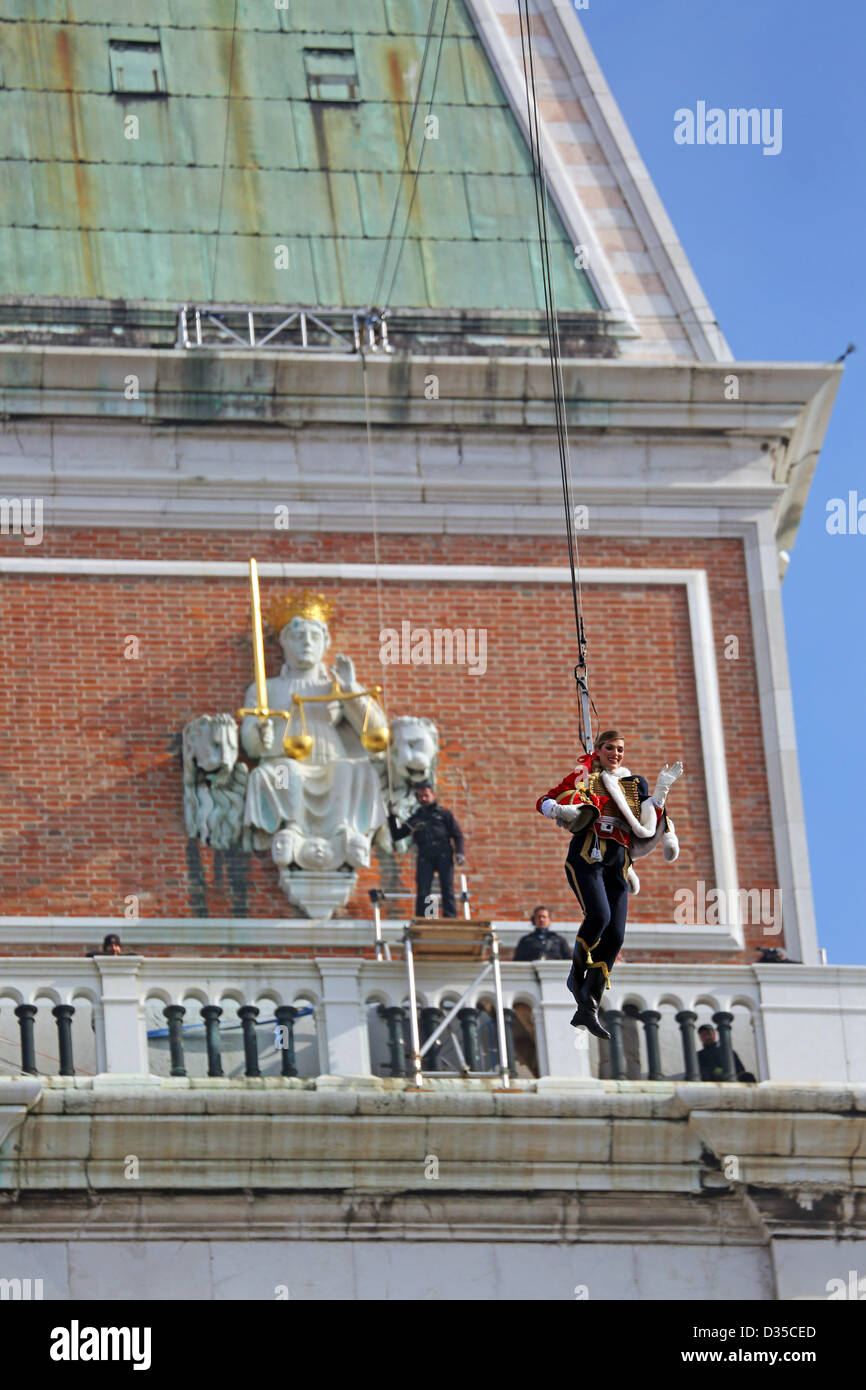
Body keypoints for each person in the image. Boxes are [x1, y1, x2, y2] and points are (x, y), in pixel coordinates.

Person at [536, 729, 682, 1039]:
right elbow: (547, 799)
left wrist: (661, 791)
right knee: (599, 916)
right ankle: (576, 976)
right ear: (599, 750)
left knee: (615, 935)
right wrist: (560, 809)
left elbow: (648, 820)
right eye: (610, 748)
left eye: (620, 749)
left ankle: (588, 1006)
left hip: (619, 861)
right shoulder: (586, 777)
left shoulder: (632, 783)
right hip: (589, 855)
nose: (616, 753)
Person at [388, 782, 465, 918]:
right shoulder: (416, 818)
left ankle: (450, 917)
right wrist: (392, 817)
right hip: (425, 855)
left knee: (447, 887)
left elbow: (457, 834)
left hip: (443, 854)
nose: (423, 798)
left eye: (426, 795)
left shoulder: (443, 814)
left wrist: (460, 852)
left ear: (433, 795)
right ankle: (425, 918)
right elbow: (397, 835)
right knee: (423, 889)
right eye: (420, 796)